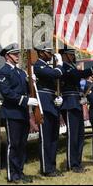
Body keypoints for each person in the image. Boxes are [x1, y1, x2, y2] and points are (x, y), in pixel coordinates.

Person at [59, 46, 93, 173]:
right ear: (65, 55)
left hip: (76, 101)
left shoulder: (72, 67)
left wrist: (81, 96)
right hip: (69, 103)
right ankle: (72, 164)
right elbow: (78, 75)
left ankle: (77, 162)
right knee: (73, 135)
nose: (73, 57)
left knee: (80, 135)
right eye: (71, 54)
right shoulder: (64, 68)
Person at [0, 43, 36, 184]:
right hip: (12, 112)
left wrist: (32, 81)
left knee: (22, 145)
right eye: (15, 54)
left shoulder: (20, 72)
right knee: (13, 144)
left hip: (22, 113)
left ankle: (19, 171)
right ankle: (12, 175)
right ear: (7, 56)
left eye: (18, 54)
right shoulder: (3, 72)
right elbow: (7, 93)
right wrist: (25, 101)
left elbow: (27, 89)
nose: (18, 56)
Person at [33, 44, 64, 177]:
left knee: (53, 138)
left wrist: (59, 97)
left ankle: (52, 167)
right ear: (41, 53)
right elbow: (55, 74)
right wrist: (60, 64)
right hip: (44, 105)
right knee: (46, 139)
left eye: (51, 52)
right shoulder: (38, 66)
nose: (51, 54)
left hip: (52, 104)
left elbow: (59, 81)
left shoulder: (46, 65)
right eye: (48, 52)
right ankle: (46, 168)